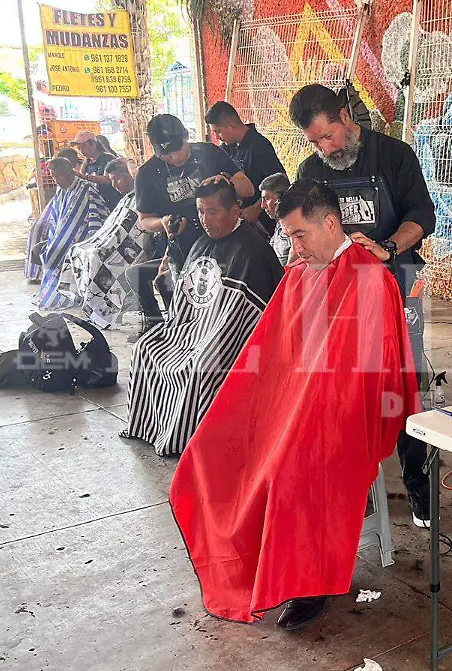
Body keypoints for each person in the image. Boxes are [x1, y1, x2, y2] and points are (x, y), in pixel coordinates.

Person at [169, 179, 420, 632]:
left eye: (300, 235)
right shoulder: (301, 272)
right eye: (289, 237)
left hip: (344, 415)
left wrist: (306, 410)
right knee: (210, 447)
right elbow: (274, 351)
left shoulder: (370, 277)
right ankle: (247, 565)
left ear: (330, 223)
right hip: (294, 404)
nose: (295, 248)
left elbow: (371, 372)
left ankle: (309, 584)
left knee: (288, 469)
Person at [290, 83, 436, 527]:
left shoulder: (394, 155)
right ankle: (350, 484)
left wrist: (388, 247)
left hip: (397, 282)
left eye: (327, 136)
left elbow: (422, 215)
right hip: (340, 294)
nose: (324, 148)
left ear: (344, 116)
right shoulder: (311, 171)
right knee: (342, 388)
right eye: (314, 142)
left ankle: (418, 486)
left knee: (403, 385)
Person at [123, 176, 284, 457]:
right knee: (145, 348)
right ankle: (148, 427)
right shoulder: (200, 242)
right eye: (200, 211)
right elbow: (185, 297)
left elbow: (255, 315)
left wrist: (208, 335)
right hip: (193, 329)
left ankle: (186, 441)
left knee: (201, 366)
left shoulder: (255, 251)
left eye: (212, 211)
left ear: (235, 211)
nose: (205, 219)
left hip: (229, 337)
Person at [128, 114, 256, 339]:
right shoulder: (147, 173)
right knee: (189, 302)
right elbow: (144, 219)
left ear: (186, 137)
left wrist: (226, 180)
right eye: (166, 154)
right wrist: (163, 223)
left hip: (227, 241)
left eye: (177, 149)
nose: (174, 157)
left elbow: (249, 189)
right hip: (183, 244)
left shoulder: (209, 153)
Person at [60, 159, 156, 328]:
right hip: (112, 243)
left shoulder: (143, 198)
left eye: (117, 178)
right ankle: (92, 306)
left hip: (135, 248)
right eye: (111, 180)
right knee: (77, 250)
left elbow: (134, 235)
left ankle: (104, 310)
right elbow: (110, 229)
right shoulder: (126, 199)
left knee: (97, 257)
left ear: (130, 175)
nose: (114, 184)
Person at [27, 157, 111, 310]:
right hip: (68, 237)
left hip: (87, 238)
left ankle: (65, 294)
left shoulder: (86, 190)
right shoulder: (62, 190)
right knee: (47, 249)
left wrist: (64, 239)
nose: (56, 180)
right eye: (53, 176)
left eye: (59, 176)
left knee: (55, 252)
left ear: (70, 173)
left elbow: (94, 220)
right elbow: (58, 220)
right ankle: (56, 291)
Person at [206, 101, 286, 238]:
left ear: (231, 125)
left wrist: (256, 208)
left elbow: (280, 180)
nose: (217, 137)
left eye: (218, 132)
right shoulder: (226, 148)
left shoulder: (259, 145)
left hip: (266, 222)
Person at [71, 130, 122, 208]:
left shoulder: (108, 158)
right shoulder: (87, 162)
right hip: (96, 203)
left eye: (84, 147)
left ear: (93, 144)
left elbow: (108, 179)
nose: (81, 151)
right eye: (79, 148)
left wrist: (85, 177)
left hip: (111, 202)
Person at [259, 172, 292, 265]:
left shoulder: (294, 230)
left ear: (281, 197)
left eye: (266, 198)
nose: (262, 205)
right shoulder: (279, 223)